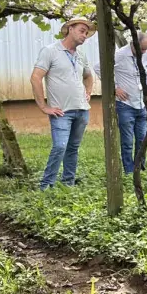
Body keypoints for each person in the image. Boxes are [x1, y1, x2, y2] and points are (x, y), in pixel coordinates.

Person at [30, 18, 96, 190]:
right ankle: (46, 185)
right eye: (82, 31)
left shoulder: (81, 55)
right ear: (70, 29)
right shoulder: (50, 51)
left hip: (82, 110)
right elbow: (36, 77)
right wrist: (43, 106)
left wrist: (88, 91)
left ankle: (68, 183)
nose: (85, 36)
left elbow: (88, 76)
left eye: (87, 33)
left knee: (73, 148)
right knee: (60, 146)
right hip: (61, 112)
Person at [95, 31, 147, 174]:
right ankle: (129, 170)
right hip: (125, 105)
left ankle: (140, 167)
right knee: (127, 141)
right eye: (141, 49)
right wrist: (115, 87)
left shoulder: (146, 55)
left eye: (146, 49)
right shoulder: (120, 55)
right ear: (133, 44)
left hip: (141, 104)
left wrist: (146, 84)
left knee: (142, 139)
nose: (144, 52)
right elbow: (99, 67)